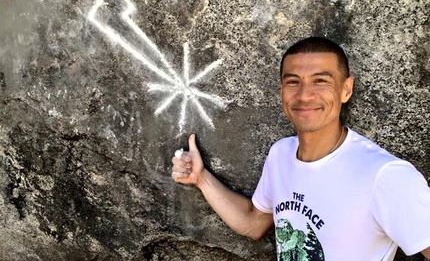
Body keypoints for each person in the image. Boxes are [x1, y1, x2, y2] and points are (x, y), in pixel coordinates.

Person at [171, 37, 430, 261]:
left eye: (320, 81)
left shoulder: (385, 176)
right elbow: (253, 222)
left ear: (346, 89)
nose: (305, 95)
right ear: (282, 90)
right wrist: (201, 178)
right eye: (293, 82)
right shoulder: (281, 154)